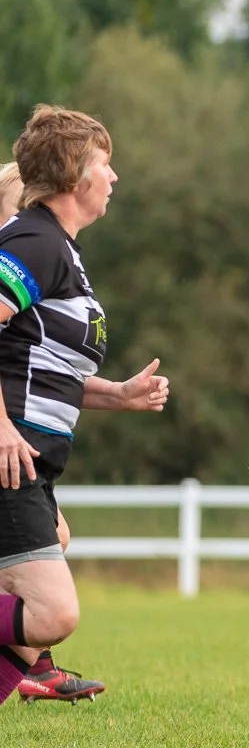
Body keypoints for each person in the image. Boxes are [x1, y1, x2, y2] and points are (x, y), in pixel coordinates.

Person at [0, 109, 169, 709]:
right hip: (9, 454)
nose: (114, 176)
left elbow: (37, 363)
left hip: (33, 459)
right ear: (76, 175)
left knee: (40, 594)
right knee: (49, 613)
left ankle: (33, 676)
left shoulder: (58, 251)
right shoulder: (36, 242)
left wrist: (117, 393)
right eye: (104, 162)